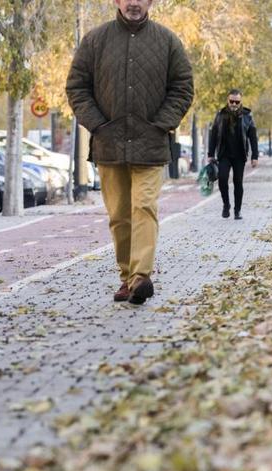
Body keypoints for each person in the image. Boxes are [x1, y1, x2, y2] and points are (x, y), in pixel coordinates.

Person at [66, 0, 194, 304]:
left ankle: (140, 276)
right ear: (116, 1)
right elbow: (76, 87)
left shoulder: (167, 41)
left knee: (144, 207)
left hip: (150, 145)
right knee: (120, 216)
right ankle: (127, 277)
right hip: (109, 144)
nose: (134, 3)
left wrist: (161, 124)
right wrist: (98, 125)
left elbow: (183, 86)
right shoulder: (95, 40)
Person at [207, 89, 259, 220]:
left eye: (237, 102)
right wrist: (210, 154)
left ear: (240, 102)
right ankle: (226, 205)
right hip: (224, 154)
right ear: (227, 100)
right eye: (232, 101)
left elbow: (253, 137)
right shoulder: (220, 115)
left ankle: (237, 210)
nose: (234, 104)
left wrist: (255, 157)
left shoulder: (247, 116)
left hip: (239, 155)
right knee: (222, 179)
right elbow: (213, 135)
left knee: (238, 182)